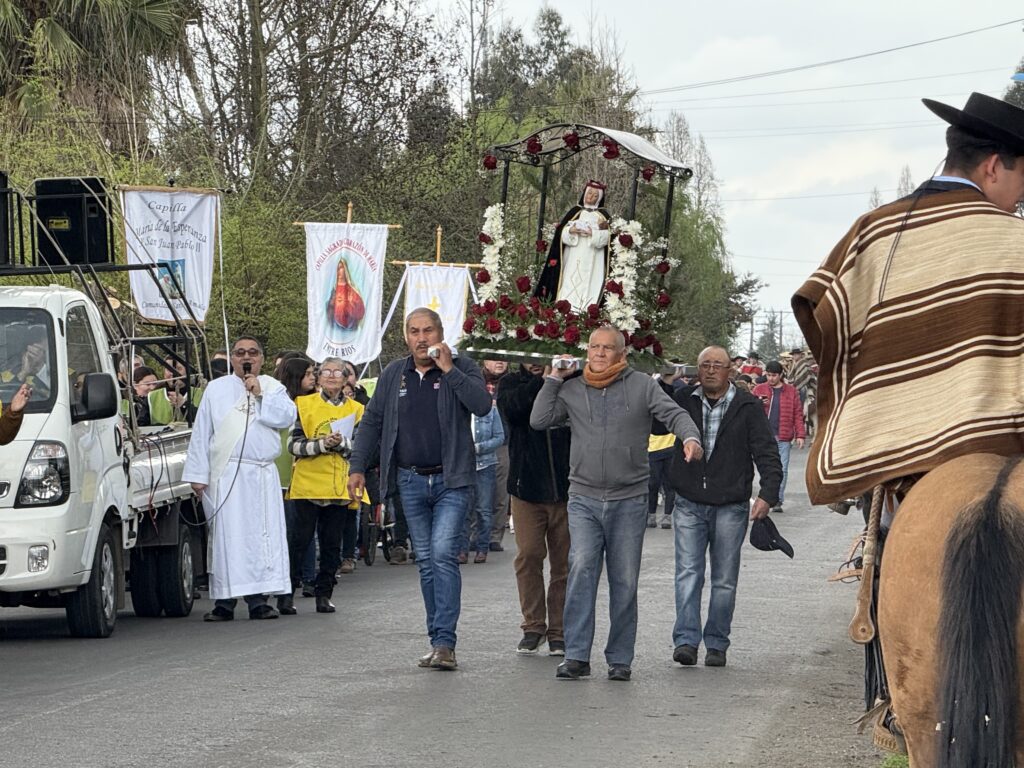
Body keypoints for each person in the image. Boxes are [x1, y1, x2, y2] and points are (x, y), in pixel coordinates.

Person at [794, 92, 1024, 504]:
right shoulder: (1017, 240)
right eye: (1023, 178)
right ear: (993, 167)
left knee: (887, 534)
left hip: (895, 458)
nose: (1021, 196)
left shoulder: (874, 231)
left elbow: (823, 315)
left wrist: (884, 379)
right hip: (1000, 449)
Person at [530, 325, 703, 682]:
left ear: (622, 354)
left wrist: (690, 438)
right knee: (581, 570)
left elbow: (675, 415)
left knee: (624, 580)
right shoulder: (573, 388)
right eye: (594, 346)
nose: (599, 353)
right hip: (584, 498)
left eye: (607, 348)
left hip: (629, 498)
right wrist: (554, 378)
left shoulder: (642, 386)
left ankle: (620, 658)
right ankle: (576, 655)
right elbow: (539, 419)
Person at [347, 308, 491, 671]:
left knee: (442, 554)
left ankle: (446, 643)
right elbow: (372, 421)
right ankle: (437, 640)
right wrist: (357, 467)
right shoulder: (395, 373)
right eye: (414, 331)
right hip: (410, 480)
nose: (422, 338)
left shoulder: (463, 367)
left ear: (441, 333)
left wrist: (449, 370)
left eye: (428, 330)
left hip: (451, 479)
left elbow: (482, 405)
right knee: (425, 561)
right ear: (406, 336)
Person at [666, 346, 783, 668]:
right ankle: (686, 641)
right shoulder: (683, 400)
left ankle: (717, 643)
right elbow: (656, 424)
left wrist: (768, 494)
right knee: (688, 574)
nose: (710, 370)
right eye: (705, 364)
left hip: (731, 505)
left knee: (724, 579)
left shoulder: (747, 406)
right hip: (689, 501)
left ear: (730, 369)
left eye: (717, 365)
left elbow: (766, 451)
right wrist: (664, 379)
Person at [182, 335, 297, 622]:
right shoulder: (216, 389)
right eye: (240, 353)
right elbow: (202, 433)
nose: (247, 357)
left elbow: (286, 418)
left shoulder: (273, 387)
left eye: (253, 353)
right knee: (227, 537)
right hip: (227, 473)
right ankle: (224, 602)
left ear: (262, 358)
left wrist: (260, 394)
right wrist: (198, 475)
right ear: (232, 358)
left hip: (261, 474)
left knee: (261, 538)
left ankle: (259, 601)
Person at [497, 361, 571, 656]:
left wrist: (561, 377)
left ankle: (559, 630)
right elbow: (513, 411)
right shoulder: (511, 382)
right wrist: (547, 380)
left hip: (566, 489)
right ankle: (533, 626)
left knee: (564, 563)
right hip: (526, 487)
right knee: (528, 555)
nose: (534, 361)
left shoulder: (574, 380)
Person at [283, 357, 368, 614]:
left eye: (337, 372)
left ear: (346, 379)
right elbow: (293, 445)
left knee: (332, 545)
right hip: (307, 485)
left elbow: (363, 447)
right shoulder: (302, 404)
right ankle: (287, 594)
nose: (331, 376)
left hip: (339, 486)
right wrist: (322, 444)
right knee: (299, 542)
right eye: (326, 372)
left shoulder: (357, 409)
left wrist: (341, 444)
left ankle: (324, 594)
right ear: (318, 377)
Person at [275, 357, 317, 598]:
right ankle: (287, 578)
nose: (312, 378)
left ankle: (309, 577)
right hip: (282, 474)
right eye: (307, 374)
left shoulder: (314, 402)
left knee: (305, 530)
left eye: (313, 373)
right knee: (287, 531)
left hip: (306, 474)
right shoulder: (280, 402)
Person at [534, 181, 611, 310]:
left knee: (589, 284)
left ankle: (585, 310)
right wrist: (571, 230)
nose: (591, 197)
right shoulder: (575, 212)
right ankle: (564, 308)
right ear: (584, 193)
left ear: (599, 198)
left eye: (595, 195)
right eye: (589, 193)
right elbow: (561, 234)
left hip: (593, 256)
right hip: (573, 255)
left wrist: (593, 233)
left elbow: (608, 237)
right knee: (569, 280)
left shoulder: (603, 216)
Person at [751, 361, 805, 513]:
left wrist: (800, 434)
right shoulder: (759, 389)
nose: (771, 378)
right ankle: (765, 496)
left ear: (781, 375)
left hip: (783, 436)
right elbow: (749, 409)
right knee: (763, 468)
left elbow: (798, 413)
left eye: (774, 375)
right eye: (768, 375)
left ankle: (777, 499)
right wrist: (758, 403)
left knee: (782, 469)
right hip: (763, 436)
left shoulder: (791, 391)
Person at [460, 400, 504, 564]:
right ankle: (462, 550)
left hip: (485, 464)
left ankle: (482, 548)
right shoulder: (458, 408)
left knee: (484, 510)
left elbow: (499, 437)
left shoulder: (491, 410)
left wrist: (478, 448)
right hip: (463, 465)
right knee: (463, 510)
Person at [480, 359, 511, 552]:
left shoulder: (512, 383)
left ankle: (494, 537)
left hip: (503, 444)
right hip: (477, 444)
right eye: (494, 358)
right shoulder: (474, 380)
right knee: (476, 493)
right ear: (485, 360)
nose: (500, 362)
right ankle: (476, 534)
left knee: (500, 493)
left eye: (503, 358)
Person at [149, 355, 202, 424]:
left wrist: (184, 404)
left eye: (178, 369)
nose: (172, 373)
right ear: (164, 373)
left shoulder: (202, 394)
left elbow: (204, 420)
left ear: (187, 372)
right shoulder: (151, 397)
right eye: (169, 369)